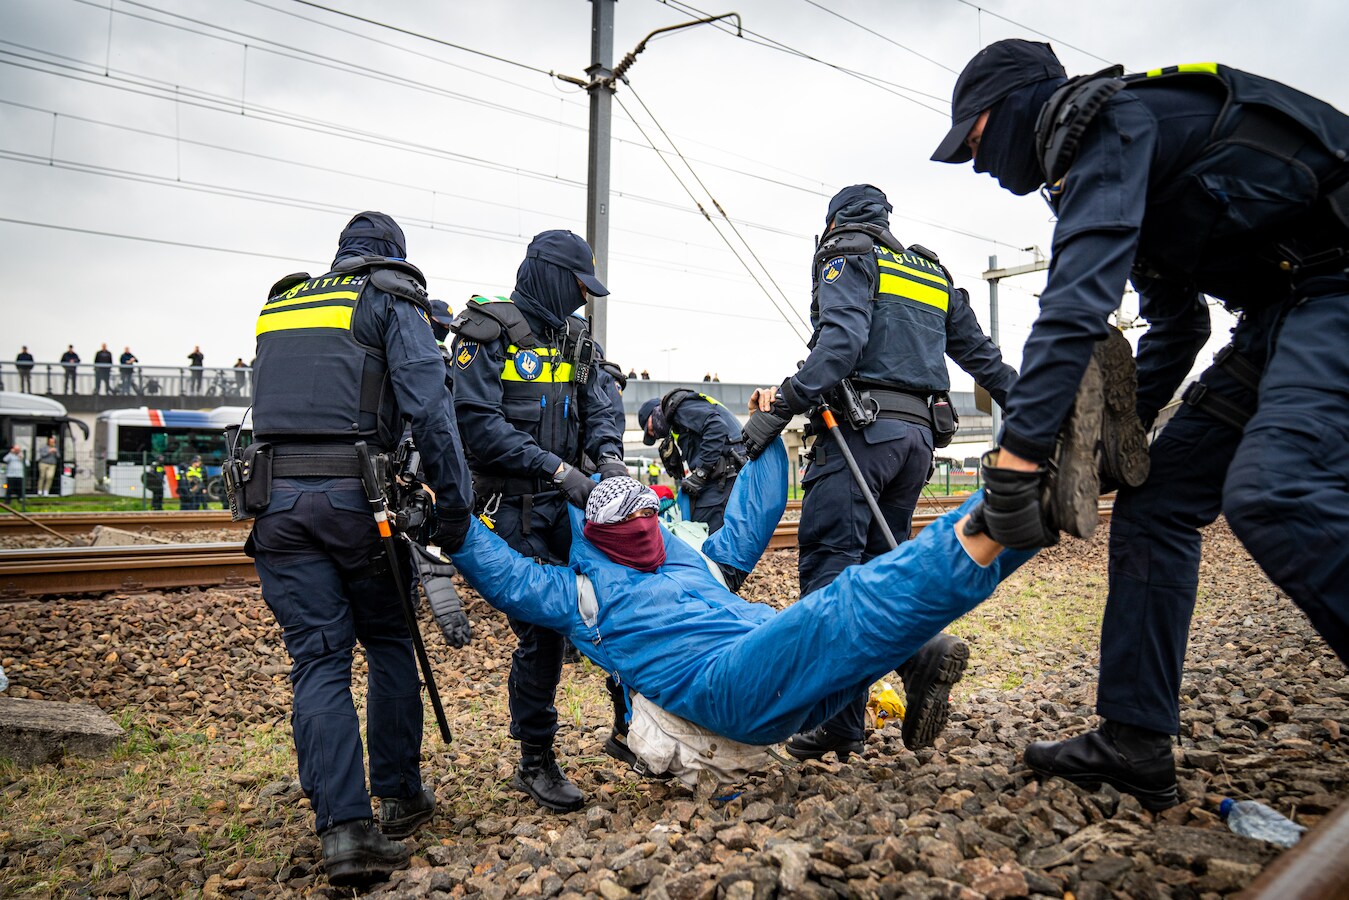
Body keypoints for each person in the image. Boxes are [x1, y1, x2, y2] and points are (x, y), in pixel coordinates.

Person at [931, 39, 1349, 811]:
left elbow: (1074, 305)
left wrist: (1019, 457)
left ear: (1019, 104)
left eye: (974, 135)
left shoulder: (1110, 124)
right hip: (1280, 313)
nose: (973, 160)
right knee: (1156, 504)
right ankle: (1132, 742)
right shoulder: (1103, 157)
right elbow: (1177, 324)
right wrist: (1115, 438)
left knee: (1276, 490)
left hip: (1336, 284)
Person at [448, 450, 1034, 782]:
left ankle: (1033, 508)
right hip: (721, 684)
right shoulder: (583, 594)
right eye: (635, 523)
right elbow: (508, 578)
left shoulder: (689, 556)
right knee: (840, 610)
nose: (648, 529)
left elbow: (756, 514)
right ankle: (1009, 502)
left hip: (762, 659)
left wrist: (767, 442)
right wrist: (454, 523)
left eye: (651, 516)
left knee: (849, 644)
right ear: (603, 536)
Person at [739, 184, 1019, 764]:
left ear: (837, 220)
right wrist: (1040, 408)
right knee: (875, 574)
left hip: (859, 437)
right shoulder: (928, 272)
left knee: (832, 578)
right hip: (916, 443)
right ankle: (858, 713)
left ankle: (878, 692)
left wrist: (784, 404)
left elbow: (841, 344)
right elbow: (983, 359)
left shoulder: (850, 254)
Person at [247, 211, 473, 887]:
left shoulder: (282, 303)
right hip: (356, 503)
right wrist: (453, 507)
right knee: (387, 639)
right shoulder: (390, 299)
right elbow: (430, 407)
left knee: (316, 658)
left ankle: (344, 832)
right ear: (392, 259)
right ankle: (399, 796)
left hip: (274, 504)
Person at [449, 229, 625, 814]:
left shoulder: (577, 339)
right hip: (513, 508)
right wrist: (553, 468)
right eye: (576, 287)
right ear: (550, 275)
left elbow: (602, 407)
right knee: (545, 631)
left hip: (574, 506)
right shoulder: (487, 331)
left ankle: (630, 729)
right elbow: (476, 424)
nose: (581, 300)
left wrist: (610, 459)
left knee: (622, 605)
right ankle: (536, 758)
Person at [638, 390, 747, 535]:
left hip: (724, 474)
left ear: (654, 411)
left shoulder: (678, 405)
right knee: (701, 525)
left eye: (650, 428)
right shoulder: (679, 419)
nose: (654, 434)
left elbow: (716, 427)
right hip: (719, 475)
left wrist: (701, 473)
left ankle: (714, 558)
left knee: (704, 529)